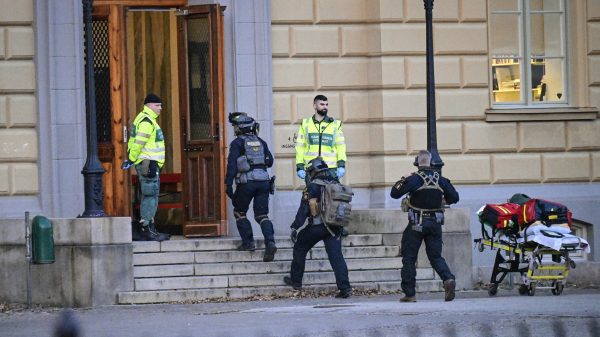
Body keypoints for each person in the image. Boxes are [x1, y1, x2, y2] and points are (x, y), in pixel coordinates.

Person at [390, 150, 459, 302]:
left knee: (409, 257)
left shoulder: (414, 179)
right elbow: (455, 197)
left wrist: (403, 179)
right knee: (435, 256)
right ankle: (448, 279)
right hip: (435, 224)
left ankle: (410, 293)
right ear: (430, 163)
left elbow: (394, 193)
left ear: (417, 164)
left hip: (416, 223)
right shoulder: (441, 180)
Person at [284, 157, 352, 298]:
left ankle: (296, 282)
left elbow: (304, 209)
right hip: (334, 227)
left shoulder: (312, 186)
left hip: (317, 226)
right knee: (336, 257)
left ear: (313, 171)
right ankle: (345, 288)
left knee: (300, 247)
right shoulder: (335, 183)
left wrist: (295, 227)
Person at [225, 112, 277, 262]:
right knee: (262, 215)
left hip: (247, 183)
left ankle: (248, 243)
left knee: (240, 212)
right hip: (264, 182)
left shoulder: (237, 143)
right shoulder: (261, 141)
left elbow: (232, 165)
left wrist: (228, 183)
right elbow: (270, 161)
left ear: (240, 128)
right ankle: (270, 242)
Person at [124, 93, 169, 242]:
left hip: (150, 163)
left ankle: (150, 228)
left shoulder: (148, 120)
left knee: (152, 194)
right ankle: (146, 229)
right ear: (149, 105)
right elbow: (138, 143)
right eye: (157, 105)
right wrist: (131, 158)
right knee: (150, 194)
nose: (160, 108)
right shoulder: (146, 121)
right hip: (147, 163)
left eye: (161, 105)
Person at [295, 95, 346, 184]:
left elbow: (340, 146)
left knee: (331, 196)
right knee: (313, 196)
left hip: (331, 169)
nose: (325, 107)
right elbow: (300, 147)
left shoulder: (335, 124)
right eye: (322, 104)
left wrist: (341, 165)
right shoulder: (305, 124)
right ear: (315, 106)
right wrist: (300, 166)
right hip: (311, 168)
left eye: (326, 104)